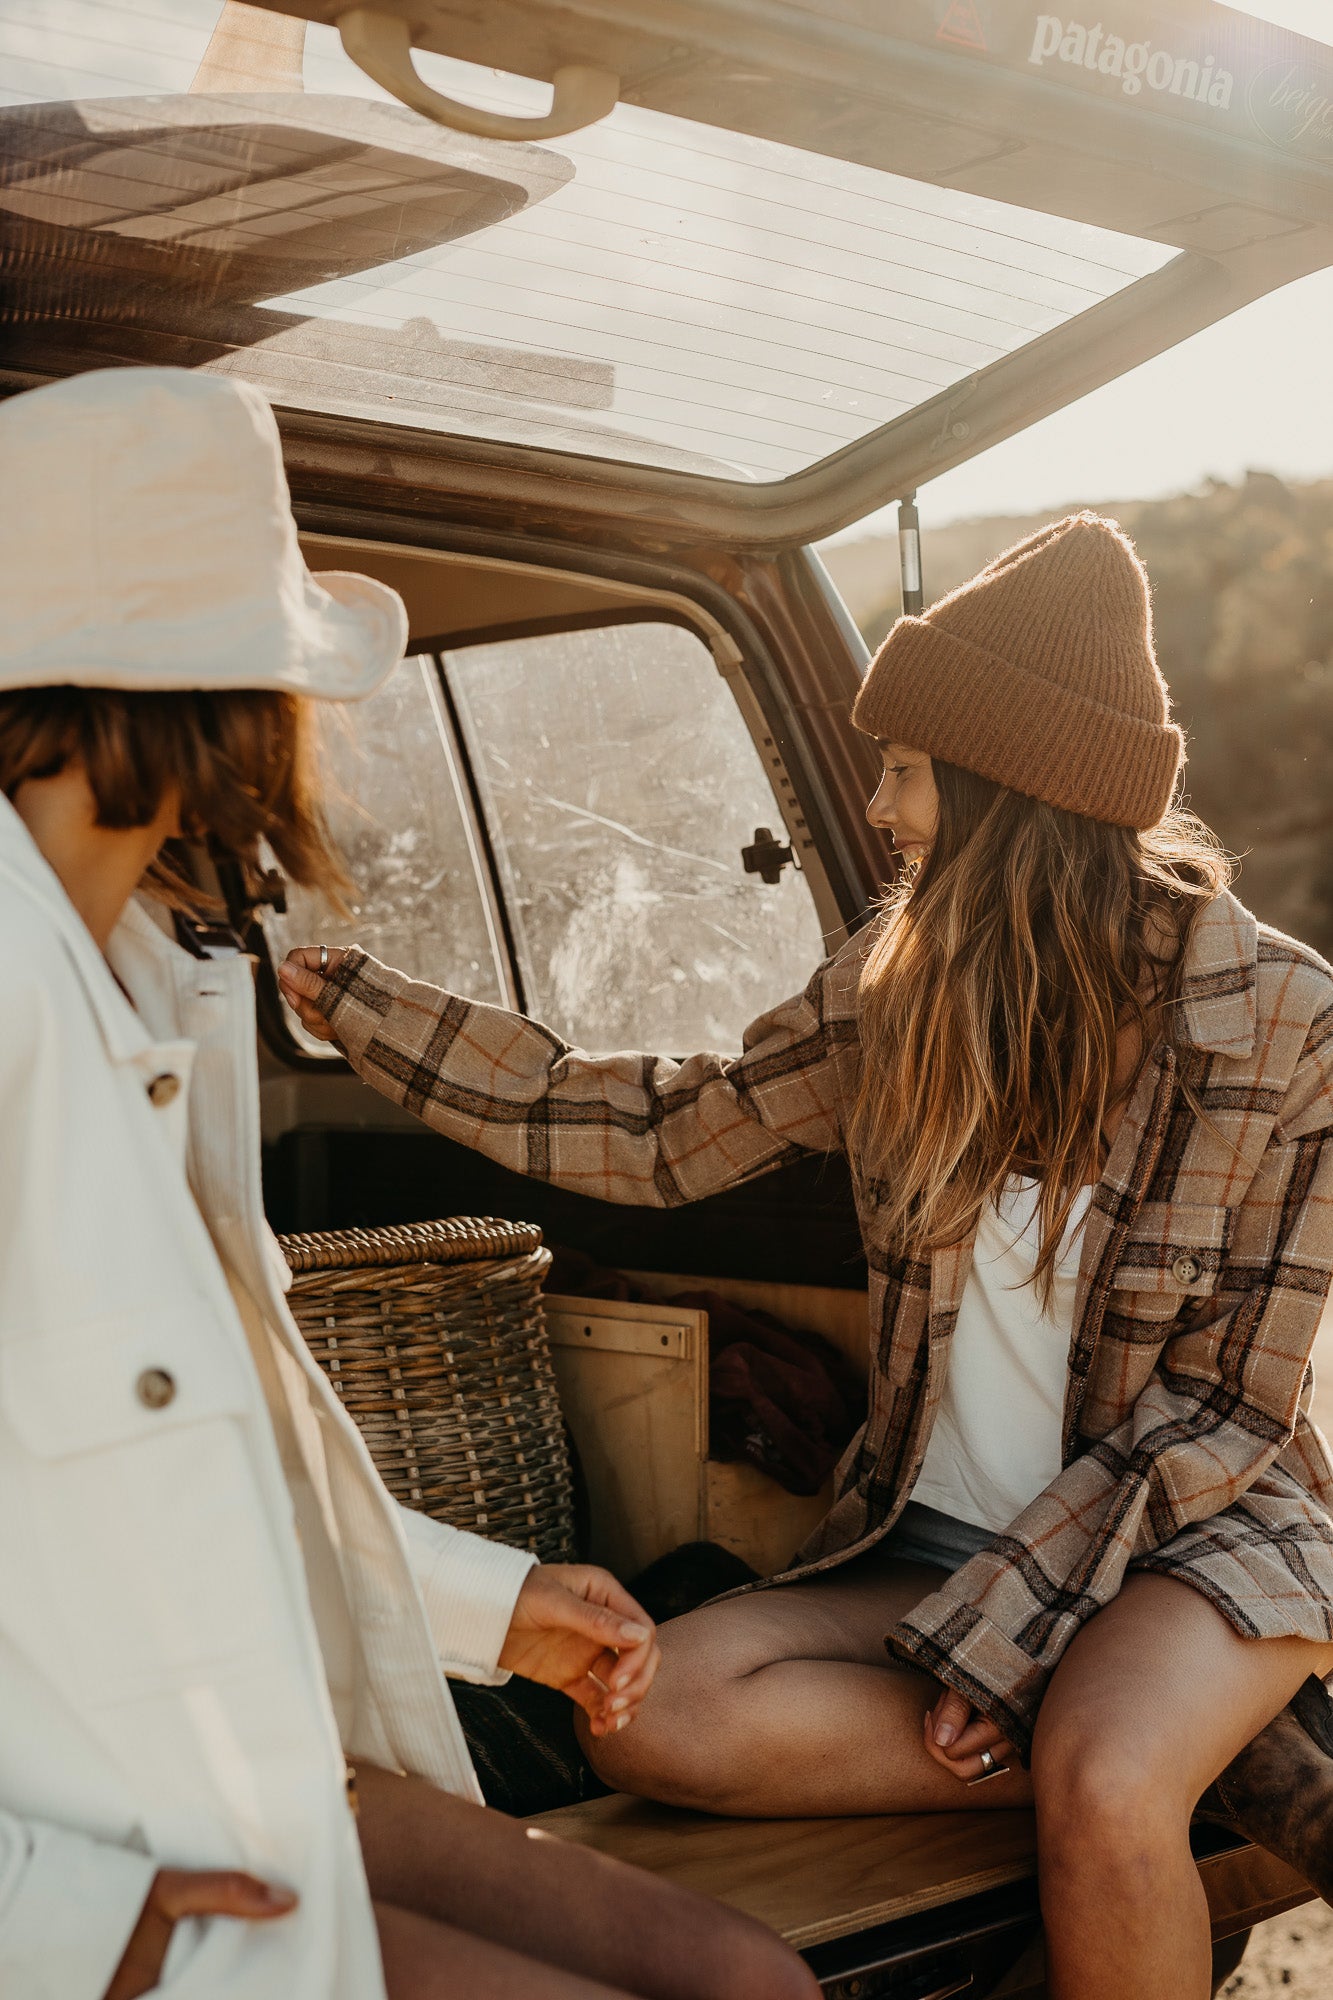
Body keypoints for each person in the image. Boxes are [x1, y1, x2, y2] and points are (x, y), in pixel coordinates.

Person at [282, 512, 1333, 2000]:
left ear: (1000, 786)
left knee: (1104, 1793)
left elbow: (1226, 1407)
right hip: (933, 1539)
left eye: (904, 767)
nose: (882, 803)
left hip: (1190, 1536)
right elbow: (660, 1134)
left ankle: (1141, 1745)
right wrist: (382, 1020)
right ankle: (1211, 1753)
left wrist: (1007, 1636)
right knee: (645, 1719)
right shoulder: (895, 991)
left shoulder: (1285, 1023)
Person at [0, 365, 818, 2000]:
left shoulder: (163, 977)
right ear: (205, 694)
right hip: (82, 1854)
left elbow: (214, 1455)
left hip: (250, 1755)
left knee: (756, 1987)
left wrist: (494, 1601)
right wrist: (48, 1920)